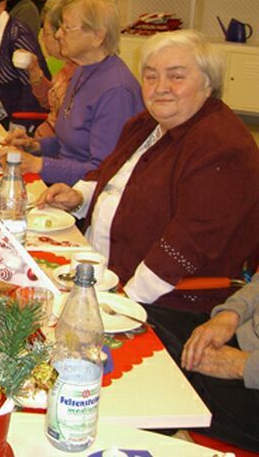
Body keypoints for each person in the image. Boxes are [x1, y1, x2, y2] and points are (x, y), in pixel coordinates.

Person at [40, 30, 259, 312]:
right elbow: (111, 174)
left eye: (176, 76)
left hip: (166, 303)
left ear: (208, 84)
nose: (160, 87)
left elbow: (187, 246)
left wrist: (119, 304)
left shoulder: (221, 146)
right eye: (151, 76)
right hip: (102, 274)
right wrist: (79, 196)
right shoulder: (146, 124)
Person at [0, 0, 143, 184]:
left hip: (80, 193)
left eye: (67, 28)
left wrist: (38, 165)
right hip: (62, 180)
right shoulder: (82, 70)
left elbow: (103, 171)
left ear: (98, 36)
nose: (58, 34)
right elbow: (68, 144)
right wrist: (34, 146)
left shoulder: (116, 91)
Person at [146, 275, 259, 452]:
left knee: (155, 385)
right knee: (135, 325)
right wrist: (231, 313)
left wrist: (244, 365)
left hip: (251, 375)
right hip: (241, 335)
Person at [16, 0, 77, 139]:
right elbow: (49, 102)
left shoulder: (80, 73)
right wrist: (34, 69)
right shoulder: (67, 66)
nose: (43, 39)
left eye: (46, 33)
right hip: (41, 140)